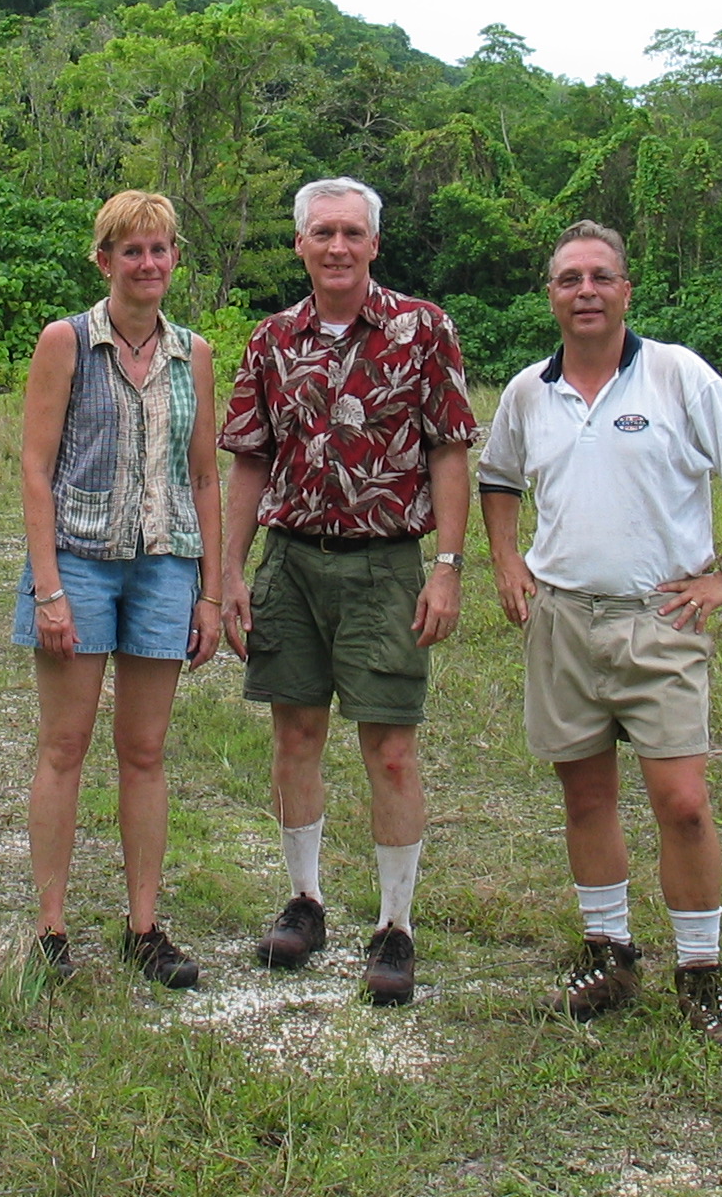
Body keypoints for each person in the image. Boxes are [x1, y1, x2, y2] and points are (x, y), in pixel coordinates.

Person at [477, 220, 722, 1043]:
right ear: (550, 294)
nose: (586, 292)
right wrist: (507, 560)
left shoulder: (678, 375)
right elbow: (498, 478)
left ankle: (700, 972)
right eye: (569, 279)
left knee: (682, 803)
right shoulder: (526, 392)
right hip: (565, 622)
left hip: (660, 620)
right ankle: (608, 954)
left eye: (601, 277)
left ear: (626, 289)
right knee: (585, 796)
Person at [219, 176, 476, 1007]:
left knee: (391, 747)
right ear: (299, 244)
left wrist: (448, 566)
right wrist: (229, 573)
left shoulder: (422, 330)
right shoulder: (271, 340)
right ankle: (306, 901)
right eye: (322, 232)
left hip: (386, 563)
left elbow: (449, 449)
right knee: (296, 734)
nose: (337, 247)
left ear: (373, 243)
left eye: (351, 233)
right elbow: (250, 460)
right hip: (291, 560)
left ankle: (395, 925)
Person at [16, 191, 224, 987]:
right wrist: (47, 589)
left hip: (166, 560)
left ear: (175, 259)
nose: (147, 264)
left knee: (144, 751)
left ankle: (144, 928)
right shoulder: (66, 343)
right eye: (130, 251)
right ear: (104, 260)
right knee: (64, 747)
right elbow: (35, 468)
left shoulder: (192, 353)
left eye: (160, 250)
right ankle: (50, 931)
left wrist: (209, 592)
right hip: (79, 557)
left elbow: (203, 473)